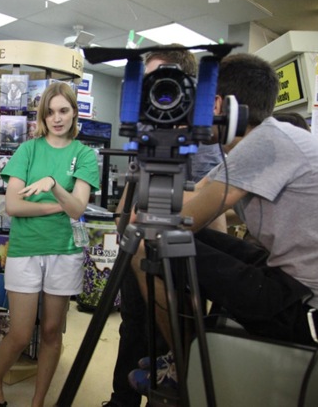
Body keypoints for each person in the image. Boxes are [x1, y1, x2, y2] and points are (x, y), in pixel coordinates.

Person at [127, 53, 318, 395]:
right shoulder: (266, 138)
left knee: (146, 243)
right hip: (292, 283)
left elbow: (187, 218)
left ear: (216, 103)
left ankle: (183, 365)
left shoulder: (263, 143)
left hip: (306, 307)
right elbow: (207, 203)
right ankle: (186, 353)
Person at [104, 46, 224, 407]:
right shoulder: (146, 133)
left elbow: (213, 205)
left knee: (168, 336)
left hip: (176, 253)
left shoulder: (202, 144)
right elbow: (132, 190)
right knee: (132, 329)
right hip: (137, 246)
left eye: (161, 80)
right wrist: (122, 222)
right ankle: (121, 400)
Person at [0, 82, 100, 407]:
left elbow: (78, 208)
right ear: (43, 115)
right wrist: (57, 204)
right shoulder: (28, 150)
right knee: (21, 333)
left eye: (63, 110)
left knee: (52, 331)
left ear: (74, 113)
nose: (57, 118)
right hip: (25, 248)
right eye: (50, 112)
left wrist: (52, 185)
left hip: (64, 251)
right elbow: (13, 206)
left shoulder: (84, 154)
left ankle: (38, 401)